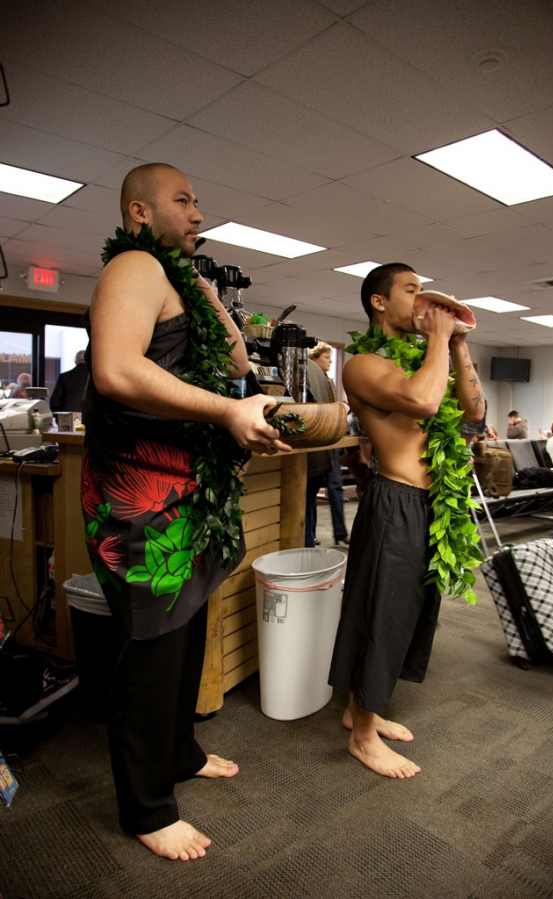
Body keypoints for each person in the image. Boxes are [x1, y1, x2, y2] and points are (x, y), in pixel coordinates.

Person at [81, 162, 290, 862]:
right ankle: (145, 805)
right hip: (140, 500)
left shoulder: (175, 276)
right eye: (182, 200)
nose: (198, 212)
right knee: (152, 651)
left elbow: (232, 353)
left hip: (188, 497)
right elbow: (115, 368)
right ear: (139, 212)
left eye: (200, 199)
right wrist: (230, 409)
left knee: (187, 634)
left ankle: (177, 750)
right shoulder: (134, 266)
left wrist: (203, 290)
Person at [328, 263, 484, 779]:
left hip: (431, 506)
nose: (422, 302)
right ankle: (364, 738)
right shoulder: (363, 364)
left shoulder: (424, 358)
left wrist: (456, 344)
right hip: (395, 500)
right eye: (412, 291)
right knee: (382, 614)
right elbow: (422, 400)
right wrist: (439, 335)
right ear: (378, 302)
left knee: (411, 614)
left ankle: (360, 709)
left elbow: (474, 412)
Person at [308, 342, 349, 545]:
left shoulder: (330, 382)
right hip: (318, 442)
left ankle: (340, 532)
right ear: (314, 359)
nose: (330, 361)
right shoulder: (310, 378)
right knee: (311, 491)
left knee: (336, 486)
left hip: (332, 442)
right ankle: (311, 534)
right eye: (326, 357)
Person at [304, 356, 333, 546]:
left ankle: (305, 564)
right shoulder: (320, 373)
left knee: (301, 515)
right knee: (309, 508)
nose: (329, 361)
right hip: (322, 454)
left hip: (306, 457)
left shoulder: (296, 367)